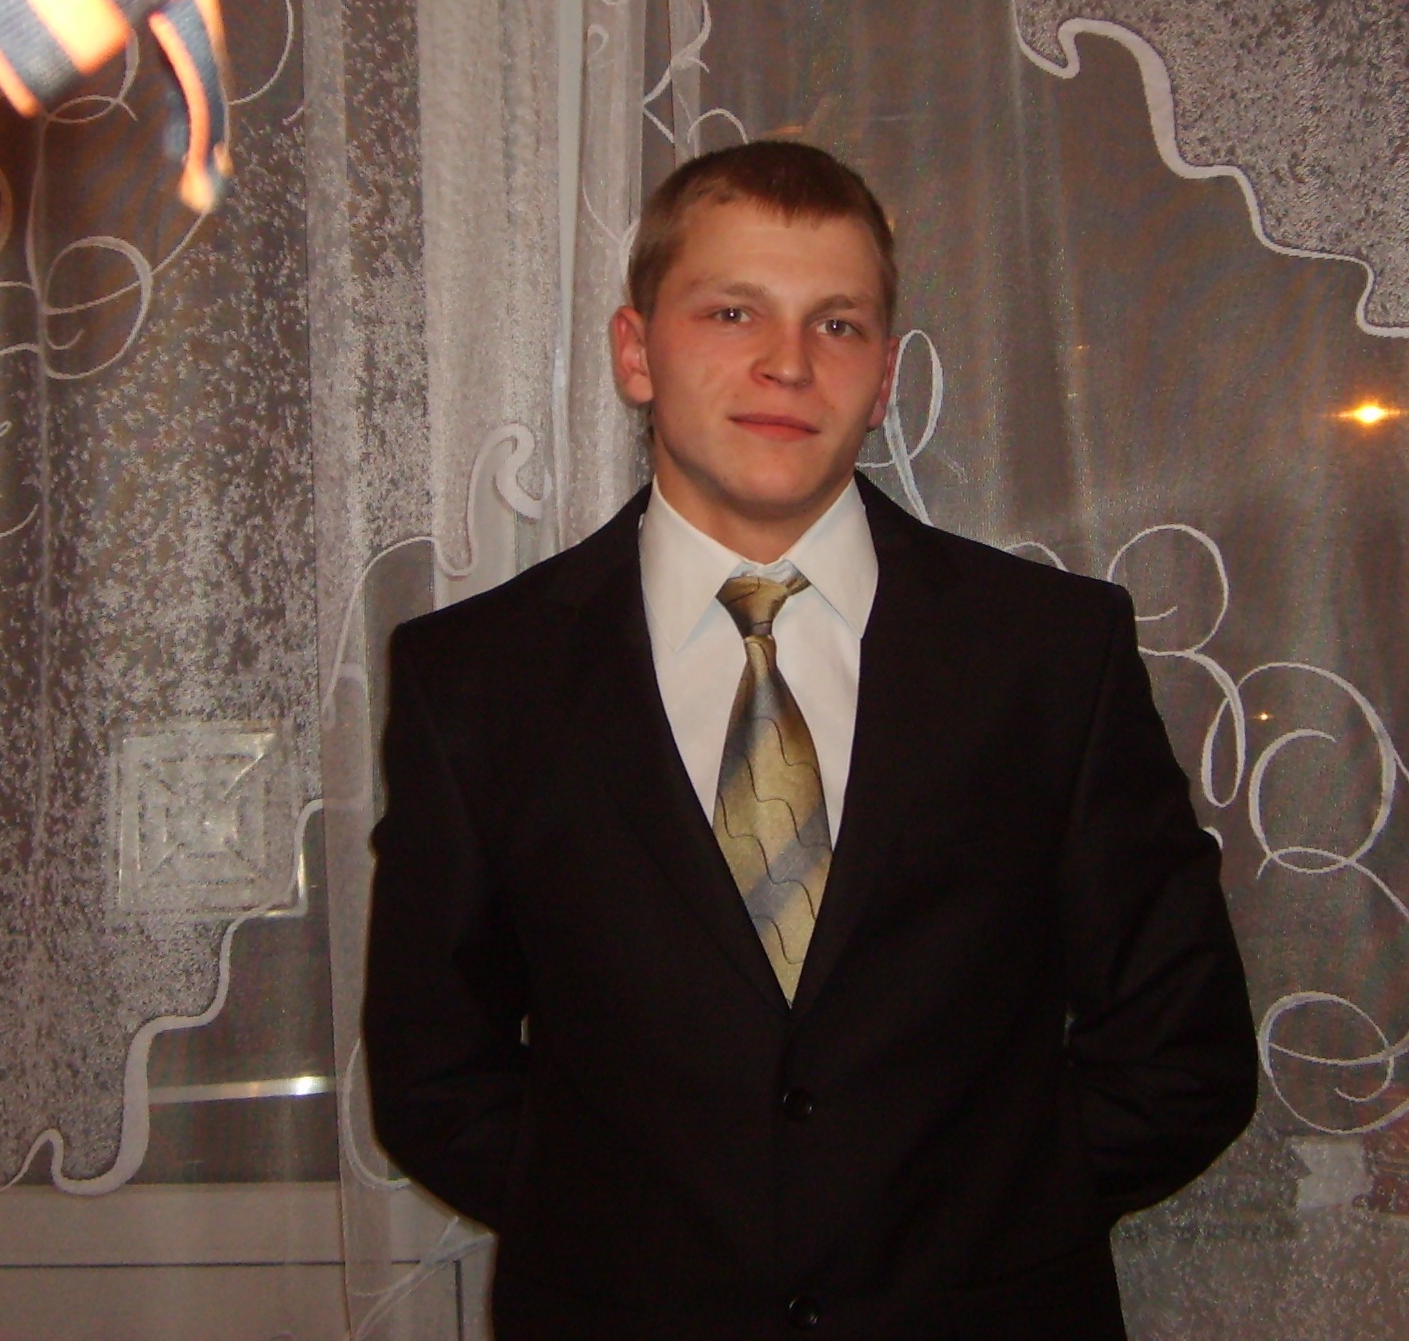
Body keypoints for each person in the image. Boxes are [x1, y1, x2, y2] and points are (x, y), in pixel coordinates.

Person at [366, 140, 1257, 1341]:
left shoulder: (1049, 654)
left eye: (836, 325)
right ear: (636, 351)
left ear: (882, 378)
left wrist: (974, 1237)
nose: (787, 362)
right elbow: (433, 1073)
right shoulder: (475, 679)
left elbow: (1181, 1046)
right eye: (731, 311)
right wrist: (643, 1249)